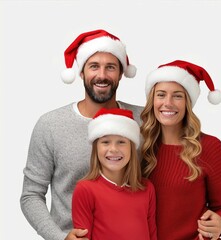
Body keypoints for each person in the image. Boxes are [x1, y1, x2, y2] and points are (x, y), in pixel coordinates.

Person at [20, 29, 143, 240]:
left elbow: (178, 163)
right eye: (94, 66)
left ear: (121, 73)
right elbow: (31, 195)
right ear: (81, 72)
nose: (102, 75)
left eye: (110, 67)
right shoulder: (51, 125)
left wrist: (219, 215)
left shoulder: (143, 119)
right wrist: (59, 237)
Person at [140, 60, 221, 240]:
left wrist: (220, 222)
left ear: (188, 103)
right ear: (152, 100)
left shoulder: (209, 147)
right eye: (161, 95)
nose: (167, 103)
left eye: (177, 96)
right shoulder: (139, 145)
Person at [72, 108, 157, 240]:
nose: (113, 149)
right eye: (105, 142)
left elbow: (152, 235)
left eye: (121, 142)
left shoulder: (147, 188)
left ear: (132, 148)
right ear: (96, 148)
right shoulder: (85, 190)